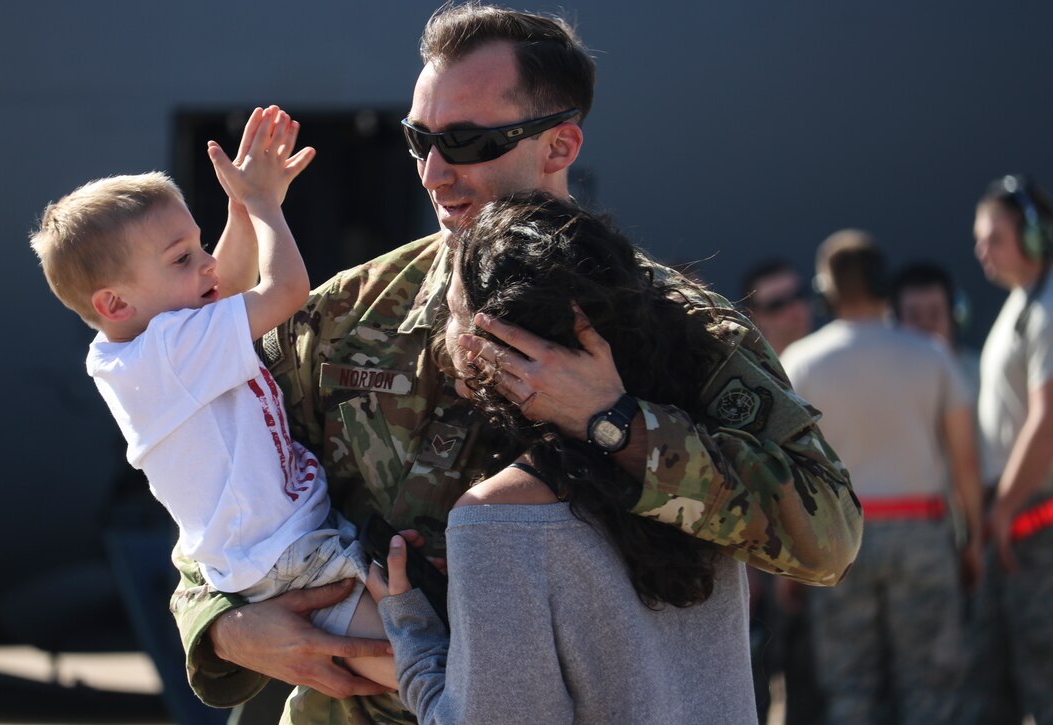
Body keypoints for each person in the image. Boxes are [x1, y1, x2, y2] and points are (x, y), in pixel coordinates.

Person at [169, 5, 863, 724]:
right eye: (419, 139)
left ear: (560, 146)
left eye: (466, 141)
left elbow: (829, 535)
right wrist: (225, 626)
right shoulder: (346, 315)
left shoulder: (672, 326)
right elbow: (213, 487)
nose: (434, 172)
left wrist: (620, 426)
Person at [28, 108, 397, 704]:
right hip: (287, 562)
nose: (204, 265)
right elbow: (282, 291)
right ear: (115, 302)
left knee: (433, 660)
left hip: (287, 549)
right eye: (181, 259)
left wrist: (243, 208)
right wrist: (267, 210)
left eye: (198, 245)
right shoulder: (169, 351)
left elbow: (220, 281)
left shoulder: (141, 346)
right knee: (425, 674)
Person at [365, 192, 757, 723]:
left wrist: (413, 632)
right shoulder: (698, 471)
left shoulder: (496, 519)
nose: (441, 330)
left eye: (453, 311)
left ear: (503, 349)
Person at [781, 230, 983, 724]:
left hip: (841, 543)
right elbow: (964, 458)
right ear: (883, 282)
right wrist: (972, 537)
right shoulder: (931, 355)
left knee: (850, 690)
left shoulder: (800, 363)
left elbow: (784, 470)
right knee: (932, 691)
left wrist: (790, 557)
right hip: (923, 534)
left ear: (825, 289)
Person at [962, 174, 1053, 724]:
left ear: (1038, 236)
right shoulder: (1026, 306)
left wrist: (1004, 509)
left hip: (1033, 519)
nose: (982, 250)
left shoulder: (1048, 308)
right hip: (1023, 517)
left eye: (994, 236)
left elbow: (1048, 417)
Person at [739, 258, 819, 723]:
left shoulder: (828, 364)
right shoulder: (743, 380)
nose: (794, 311)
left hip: (822, 559)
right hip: (760, 563)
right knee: (757, 694)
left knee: (815, 692)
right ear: (756, 318)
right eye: (778, 303)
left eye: (799, 296)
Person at [891, 261, 981, 395]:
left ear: (953, 317)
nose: (925, 326)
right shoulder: (884, 381)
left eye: (934, 315)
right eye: (914, 316)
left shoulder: (981, 375)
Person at [740, 259, 814, 356]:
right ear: (754, 317)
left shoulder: (834, 356)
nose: (793, 307)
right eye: (776, 304)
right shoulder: (751, 370)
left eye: (798, 295)